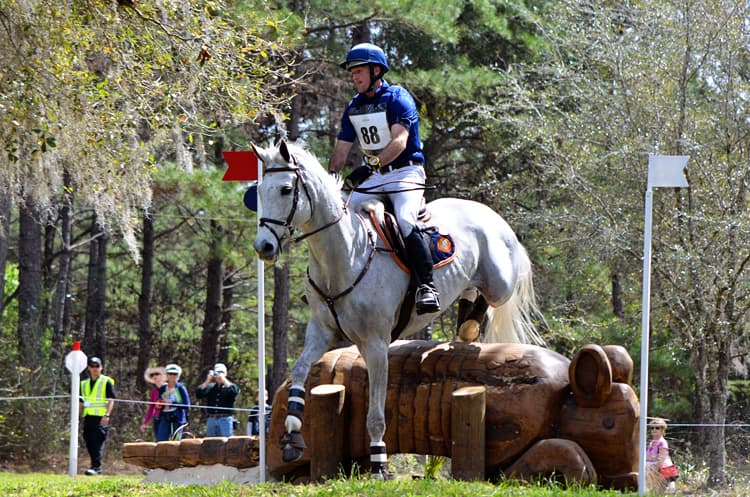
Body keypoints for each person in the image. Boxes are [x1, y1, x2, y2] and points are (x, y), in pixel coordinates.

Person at [328, 42, 440, 315]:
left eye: (358, 71)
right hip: (377, 175)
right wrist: (329, 180)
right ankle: (330, 284)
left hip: (405, 172)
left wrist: (371, 164)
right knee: (339, 213)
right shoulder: (354, 106)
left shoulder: (397, 97)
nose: (354, 76)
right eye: (352, 72)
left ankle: (427, 286)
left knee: (405, 219)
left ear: (376, 71)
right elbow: (341, 151)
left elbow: (399, 142)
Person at [79, 356, 115, 475]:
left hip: (100, 417)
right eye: (92, 366)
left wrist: (107, 415)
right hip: (88, 417)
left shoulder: (106, 381)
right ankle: (94, 466)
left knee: (97, 442)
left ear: (101, 367)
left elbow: (111, 400)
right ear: (88, 368)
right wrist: (79, 415)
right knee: (88, 441)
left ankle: (96, 467)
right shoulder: (83, 384)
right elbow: (81, 401)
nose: (95, 368)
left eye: (97, 366)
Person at [196, 362, 240, 437]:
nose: (219, 375)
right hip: (211, 419)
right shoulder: (210, 387)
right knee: (211, 441)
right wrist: (208, 380)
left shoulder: (229, 387)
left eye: (222, 372)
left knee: (226, 441)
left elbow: (234, 392)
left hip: (225, 419)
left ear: (226, 373)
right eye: (217, 373)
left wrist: (224, 379)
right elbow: (199, 394)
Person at [155, 363, 191, 441]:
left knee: (175, 442)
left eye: (175, 374)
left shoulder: (181, 388)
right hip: (165, 417)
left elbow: (187, 406)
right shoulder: (162, 388)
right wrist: (159, 405)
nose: (172, 376)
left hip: (177, 418)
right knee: (161, 440)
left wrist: (172, 403)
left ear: (178, 376)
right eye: (170, 373)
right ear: (166, 375)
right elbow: (159, 402)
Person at [647, 417, 678, 493]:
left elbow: (662, 458)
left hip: (662, 470)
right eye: (652, 428)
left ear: (662, 430)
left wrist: (655, 469)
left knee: (660, 492)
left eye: (657, 428)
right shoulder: (651, 443)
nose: (654, 430)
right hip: (651, 470)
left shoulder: (662, 442)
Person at [139, 366, 166, 439]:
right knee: (159, 440)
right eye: (152, 375)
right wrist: (145, 423)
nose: (154, 376)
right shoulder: (153, 391)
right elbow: (151, 408)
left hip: (167, 419)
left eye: (157, 374)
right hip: (157, 419)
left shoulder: (169, 388)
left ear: (162, 376)